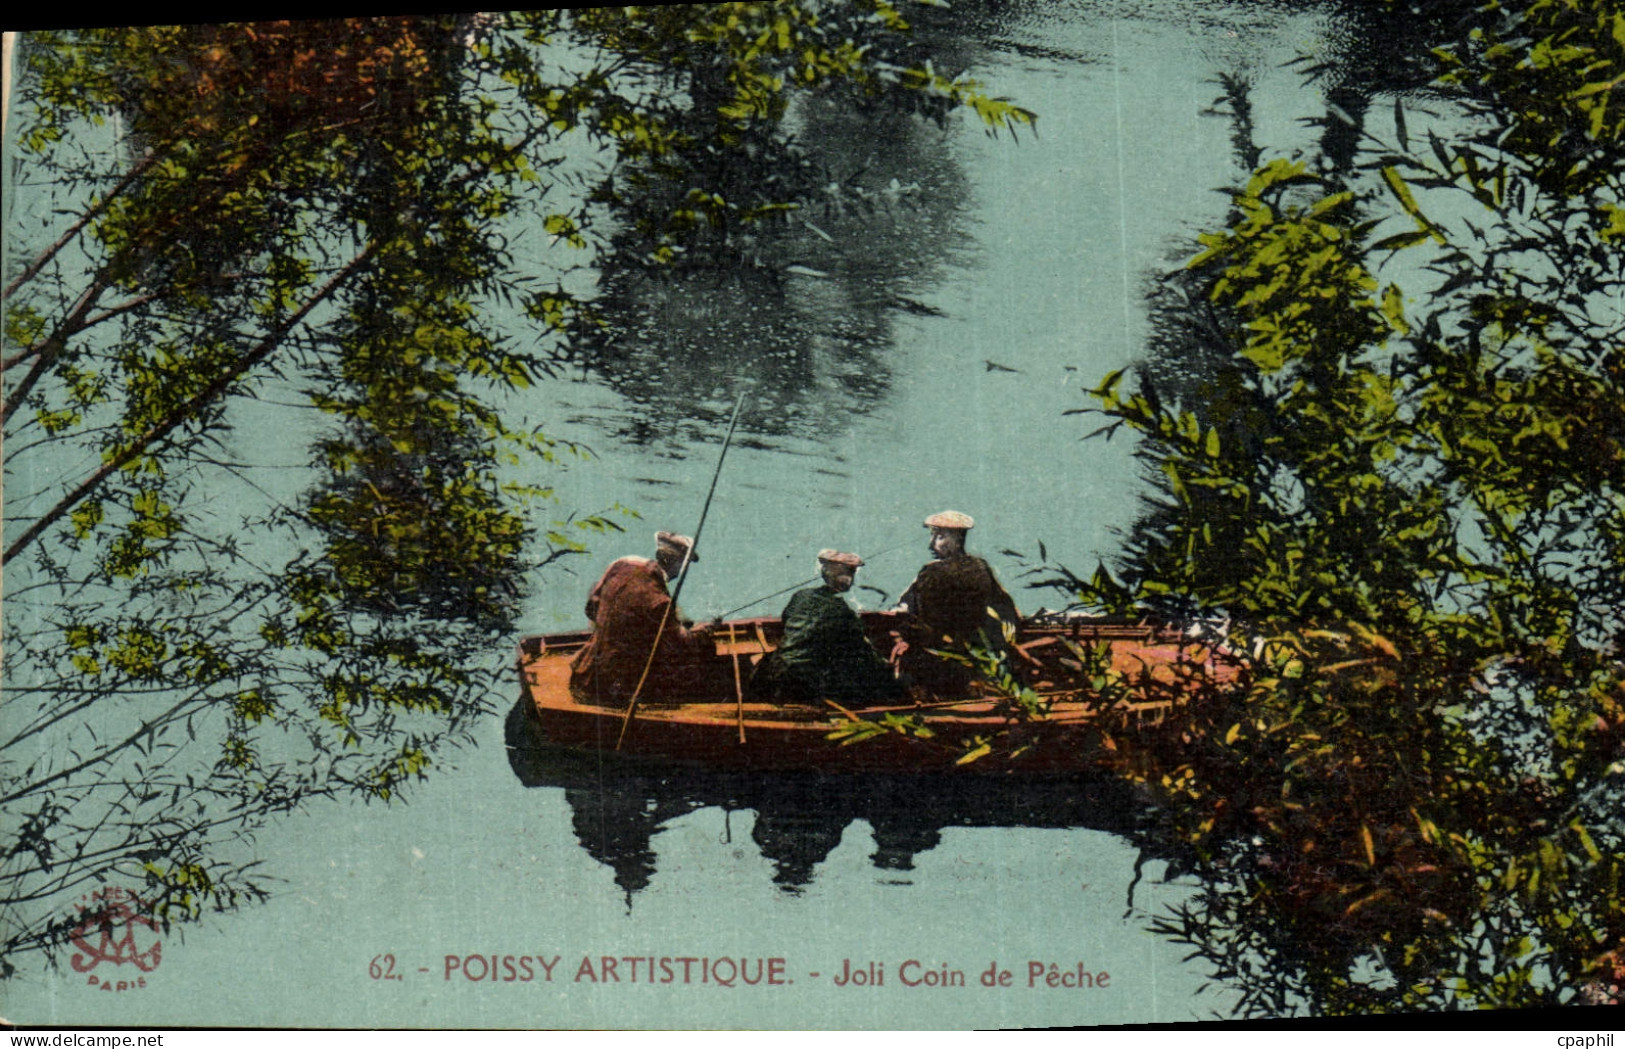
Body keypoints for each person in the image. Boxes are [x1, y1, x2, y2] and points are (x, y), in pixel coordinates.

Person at [569, 531, 719, 707]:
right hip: (611, 690)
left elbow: (591, 609)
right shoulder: (660, 601)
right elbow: (680, 644)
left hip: (583, 676)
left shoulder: (621, 565)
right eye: (684, 564)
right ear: (678, 563)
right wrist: (702, 632)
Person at [750, 549, 905, 707]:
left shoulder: (800, 596)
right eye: (851, 573)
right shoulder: (841, 610)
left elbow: (786, 620)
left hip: (777, 672)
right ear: (847, 579)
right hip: (806, 682)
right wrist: (886, 668)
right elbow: (862, 649)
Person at [892, 510, 1021, 696]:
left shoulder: (931, 572)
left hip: (940, 656)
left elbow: (908, 609)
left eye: (939, 536)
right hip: (977, 655)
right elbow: (1006, 605)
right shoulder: (981, 567)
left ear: (957, 539)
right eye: (933, 536)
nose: (931, 543)